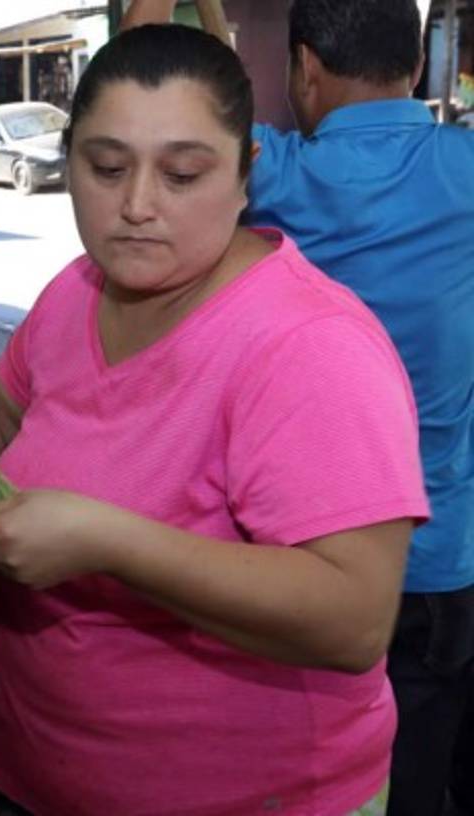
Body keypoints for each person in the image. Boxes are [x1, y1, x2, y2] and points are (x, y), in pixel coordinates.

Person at [0, 25, 428, 815]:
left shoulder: (307, 344)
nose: (138, 207)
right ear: (68, 161)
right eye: (107, 168)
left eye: (182, 173)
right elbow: (7, 419)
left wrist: (108, 542)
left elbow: (352, 621)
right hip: (35, 767)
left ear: (247, 176)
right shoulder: (76, 290)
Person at [120, 3, 474, 813]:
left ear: (306, 69)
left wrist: (203, 18)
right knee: (418, 773)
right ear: (415, 68)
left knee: (306, 775)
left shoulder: (279, 174)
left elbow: (178, 93)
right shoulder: (467, 170)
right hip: (441, 558)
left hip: (297, 563)